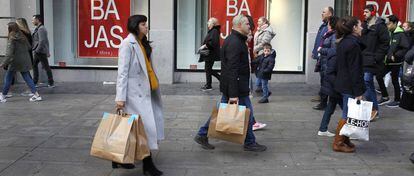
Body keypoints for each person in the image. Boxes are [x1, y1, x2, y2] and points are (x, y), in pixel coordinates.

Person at [194, 14, 267, 152]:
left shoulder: (236, 40)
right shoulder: (235, 42)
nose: (249, 26)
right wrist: (234, 94)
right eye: (246, 24)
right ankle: (249, 142)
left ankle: (202, 134)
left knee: (227, 111)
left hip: (234, 86)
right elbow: (232, 69)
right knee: (247, 113)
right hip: (236, 87)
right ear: (239, 25)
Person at [115, 15, 164, 176]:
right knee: (145, 130)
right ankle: (148, 165)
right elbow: (122, 73)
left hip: (147, 91)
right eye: (143, 24)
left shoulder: (143, 44)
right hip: (134, 94)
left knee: (133, 129)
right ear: (135, 26)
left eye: (146, 24)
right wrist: (120, 98)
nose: (146, 27)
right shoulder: (127, 44)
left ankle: (119, 159)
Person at [333, 16, 366, 153]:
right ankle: (338, 142)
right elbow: (355, 70)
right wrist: (359, 92)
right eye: (360, 25)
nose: (362, 28)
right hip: (349, 85)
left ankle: (345, 139)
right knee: (347, 114)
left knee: (349, 113)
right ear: (354, 28)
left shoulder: (344, 42)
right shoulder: (352, 45)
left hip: (343, 83)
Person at [0, 22, 42, 103]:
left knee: (8, 78)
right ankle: (36, 95)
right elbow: (29, 47)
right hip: (24, 60)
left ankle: (3, 95)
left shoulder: (12, 38)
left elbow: (9, 54)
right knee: (27, 77)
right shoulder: (22, 36)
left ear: (10, 29)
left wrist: (3, 64)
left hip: (14, 62)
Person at [361, 5, 390, 121]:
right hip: (364, 59)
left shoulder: (380, 26)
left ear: (373, 13)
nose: (364, 14)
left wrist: (377, 58)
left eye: (366, 12)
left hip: (372, 60)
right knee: (367, 84)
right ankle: (373, 109)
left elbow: (385, 44)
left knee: (367, 81)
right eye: (364, 12)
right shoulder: (364, 25)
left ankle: (373, 109)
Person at [377, 15, 410, 108]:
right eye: (387, 23)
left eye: (389, 23)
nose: (387, 25)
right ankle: (385, 96)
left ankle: (397, 100)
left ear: (395, 23)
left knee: (394, 80)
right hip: (387, 61)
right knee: (379, 76)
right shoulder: (389, 32)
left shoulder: (400, 34)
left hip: (396, 62)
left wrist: (395, 55)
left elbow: (405, 47)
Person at [317, 16, 341, 137]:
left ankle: (323, 128)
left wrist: (322, 50)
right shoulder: (333, 36)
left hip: (329, 72)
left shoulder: (331, 35)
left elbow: (329, 51)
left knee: (332, 103)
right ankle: (351, 129)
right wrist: (322, 50)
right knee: (344, 105)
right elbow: (334, 52)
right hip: (332, 74)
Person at [246, 15, 267, 131]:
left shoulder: (252, 34)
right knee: (244, 98)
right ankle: (205, 130)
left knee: (244, 99)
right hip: (241, 74)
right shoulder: (241, 38)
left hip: (245, 71)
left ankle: (252, 123)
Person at [311, 7, 334, 110]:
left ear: (330, 14)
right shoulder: (323, 26)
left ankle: (325, 101)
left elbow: (329, 46)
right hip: (321, 57)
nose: (322, 14)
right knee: (323, 79)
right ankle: (323, 97)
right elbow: (319, 40)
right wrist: (315, 51)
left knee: (325, 80)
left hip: (326, 58)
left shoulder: (331, 28)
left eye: (324, 12)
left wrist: (321, 51)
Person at [32, 14, 54, 88]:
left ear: (37, 20)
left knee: (45, 66)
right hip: (39, 51)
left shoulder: (41, 29)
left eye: (33, 20)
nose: (32, 21)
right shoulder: (38, 28)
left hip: (40, 51)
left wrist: (37, 50)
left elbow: (42, 41)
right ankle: (35, 82)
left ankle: (50, 82)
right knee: (35, 65)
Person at [199, 17, 221, 91]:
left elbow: (213, 43)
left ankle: (210, 84)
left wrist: (205, 46)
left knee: (208, 69)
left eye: (209, 22)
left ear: (213, 24)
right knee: (208, 69)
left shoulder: (214, 31)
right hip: (210, 54)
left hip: (210, 54)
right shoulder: (212, 31)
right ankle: (209, 84)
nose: (207, 23)